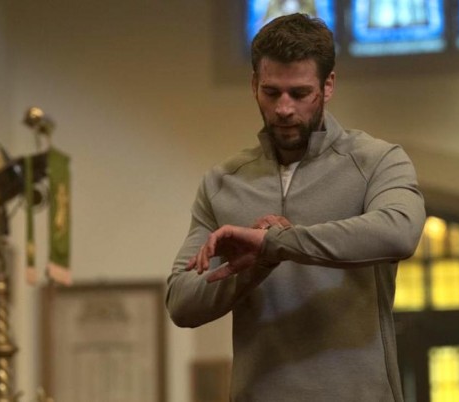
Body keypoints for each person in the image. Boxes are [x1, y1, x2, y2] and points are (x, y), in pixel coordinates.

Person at [166, 13, 425, 402]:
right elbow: (181, 303)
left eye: (300, 94)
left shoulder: (377, 161)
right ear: (254, 85)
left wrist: (274, 244)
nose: (284, 108)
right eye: (271, 92)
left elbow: (399, 232)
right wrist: (255, 267)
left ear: (328, 85)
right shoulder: (222, 183)